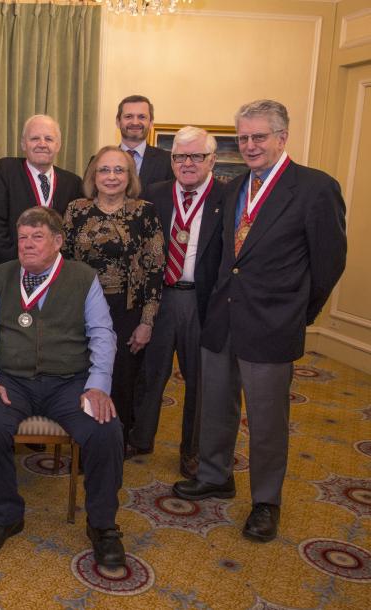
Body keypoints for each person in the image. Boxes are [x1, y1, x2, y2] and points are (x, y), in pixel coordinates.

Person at [173, 100, 347, 543]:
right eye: (244, 138)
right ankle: (215, 474)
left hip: (273, 324)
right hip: (223, 318)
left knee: (267, 420)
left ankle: (266, 501)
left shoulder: (314, 188)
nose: (250, 146)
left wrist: (297, 315)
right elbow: (224, 259)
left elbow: (329, 264)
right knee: (216, 405)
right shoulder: (232, 189)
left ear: (282, 138)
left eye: (259, 137)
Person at [0, 206, 123, 566]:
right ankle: (5, 515)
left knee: (106, 430)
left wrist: (98, 385)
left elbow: (102, 333)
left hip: (69, 383)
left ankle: (102, 525)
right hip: (12, 381)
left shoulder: (83, 278)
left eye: (37, 237)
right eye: (23, 238)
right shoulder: (2, 276)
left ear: (57, 241)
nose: (28, 245)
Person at [130, 126, 225, 478]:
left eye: (196, 156)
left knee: (199, 379)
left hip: (202, 301)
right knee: (150, 372)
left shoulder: (226, 198)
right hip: (160, 298)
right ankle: (141, 437)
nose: (187, 163)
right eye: (179, 156)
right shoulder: (154, 195)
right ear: (171, 160)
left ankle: (192, 450)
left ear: (211, 160)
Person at [63, 146, 165, 451]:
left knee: (120, 378)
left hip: (126, 309)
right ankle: (84, 441)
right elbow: (62, 263)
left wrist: (146, 322)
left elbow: (155, 268)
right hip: (80, 309)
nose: (111, 176)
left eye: (119, 170)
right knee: (82, 373)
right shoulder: (76, 209)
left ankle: (113, 445)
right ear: (93, 176)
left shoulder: (144, 212)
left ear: (129, 176)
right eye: (104, 170)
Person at [0, 114, 83, 269]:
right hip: (10, 270)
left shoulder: (73, 183)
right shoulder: (6, 170)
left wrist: (56, 269)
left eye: (49, 139)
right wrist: (20, 266)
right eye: (35, 138)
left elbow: (73, 234)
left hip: (56, 275)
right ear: (23, 144)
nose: (42, 144)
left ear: (58, 145)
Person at [116, 95, 173, 194]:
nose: (135, 122)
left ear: (151, 123)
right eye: (128, 116)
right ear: (118, 122)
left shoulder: (168, 161)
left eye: (142, 117)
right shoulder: (99, 161)